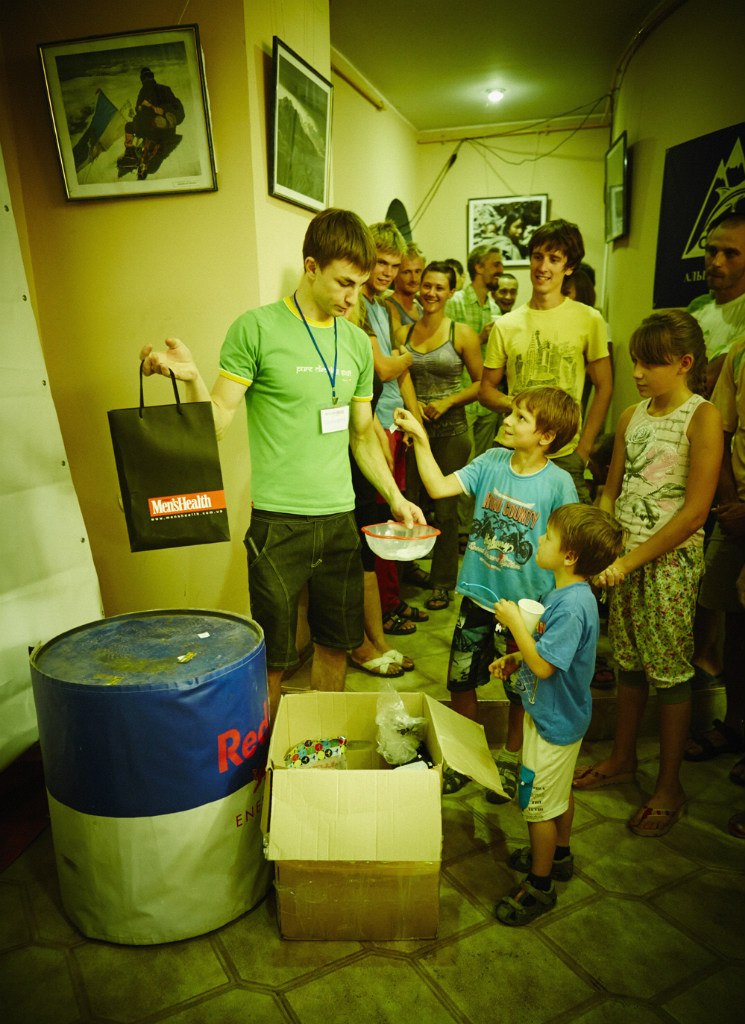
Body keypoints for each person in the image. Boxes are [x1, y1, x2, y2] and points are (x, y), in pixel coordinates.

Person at [140, 208, 424, 718]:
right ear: (311, 267)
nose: (352, 298)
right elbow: (220, 418)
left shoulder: (358, 343)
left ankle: (321, 754)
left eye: (360, 286)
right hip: (278, 524)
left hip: (339, 521)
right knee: (274, 658)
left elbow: (361, 437)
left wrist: (397, 497)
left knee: (337, 645)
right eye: (343, 283)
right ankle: (265, 758)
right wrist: (189, 380)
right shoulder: (256, 329)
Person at [574, 310, 723, 838]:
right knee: (631, 662)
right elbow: (612, 486)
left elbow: (694, 511)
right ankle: (621, 759)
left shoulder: (701, 416)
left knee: (670, 671)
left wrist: (629, 561)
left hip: (667, 565)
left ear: (683, 364)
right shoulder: (632, 415)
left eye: (649, 363)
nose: (637, 373)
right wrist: (602, 539)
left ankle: (669, 785)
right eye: (634, 361)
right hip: (623, 561)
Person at [394, 386, 579, 795]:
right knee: (461, 682)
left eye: (520, 418)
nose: (508, 421)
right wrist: (422, 440)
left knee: (519, 693)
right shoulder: (491, 460)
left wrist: (557, 607)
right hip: (478, 600)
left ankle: (512, 759)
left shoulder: (559, 483)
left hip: (527, 613)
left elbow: (569, 546)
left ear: (546, 436)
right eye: (510, 413)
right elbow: (440, 487)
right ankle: (465, 757)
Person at [489, 503, 624, 926]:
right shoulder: (567, 595)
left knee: (538, 806)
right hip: (555, 714)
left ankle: (540, 884)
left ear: (569, 556)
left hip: (552, 724)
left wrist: (513, 624)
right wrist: (517, 657)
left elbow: (546, 666)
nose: (540, 541)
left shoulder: (572, 605)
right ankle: (560, 854)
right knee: (559, 793)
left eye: (547, 537)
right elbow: (546, 654)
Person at [478, 218, 613, 503]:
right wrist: (515, 404)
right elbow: (486, 390)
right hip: (513, 453)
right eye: (538, 257)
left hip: (565, 455)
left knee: (571, 540)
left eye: (554, 259)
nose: (543, 267)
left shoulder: (589, 319)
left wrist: (584, 449)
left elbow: (604, 386)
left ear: (569, 267)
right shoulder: (506, 325)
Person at [396, 261, 483, 612]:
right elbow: (399, 381)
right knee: (410, 504)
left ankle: (444, 582)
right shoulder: (402, 334)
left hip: (451, 433)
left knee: (446, 511)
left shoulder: (461, 333)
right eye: (426, 285)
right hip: (414, 434)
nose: (431, 293)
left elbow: (482, 384)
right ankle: (408, 571)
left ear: (450, 291)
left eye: (439, 287)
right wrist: (412, 423)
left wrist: (448, 401)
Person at [361, 221, 429, 634]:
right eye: (380, 262)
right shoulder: (357, 306)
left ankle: (392, 600)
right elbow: (387, 366)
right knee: (382, 523)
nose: (386, 272)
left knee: (399, 516)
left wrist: (414, 419)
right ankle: (385, 608)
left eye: (393, 264)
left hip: (394, 421)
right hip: (373, 426)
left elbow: (398, 374)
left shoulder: (384, 306)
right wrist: (408, 357)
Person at [684, 336, 745, 781]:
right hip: (735, 514)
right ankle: (734, 723)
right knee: (729, 613)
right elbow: (725, 431)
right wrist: (729, 505)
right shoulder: (740, 351)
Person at [446, 244, 504, 545]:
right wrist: (478, 338)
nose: (501, 269)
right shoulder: (455, 302)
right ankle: (455, 531)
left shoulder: (494, 308)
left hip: (487, 401)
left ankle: (468, 530)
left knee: (482, 468)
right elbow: (444, 345)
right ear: (479, 268)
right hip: (462, 396)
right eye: (495, 264)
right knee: (462, 469)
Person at [687, 211, 745, 396]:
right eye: (712, 251)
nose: (717, 262)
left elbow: (708, 381)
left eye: (730, 254)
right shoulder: (697, 307)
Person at [119, 67, 184, 170]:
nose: (147, 80)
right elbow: (139, 109)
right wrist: (139, 108)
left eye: (148, 77)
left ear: (151, 77)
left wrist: (163, 111)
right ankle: (130, 153)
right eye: (145, 78)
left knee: (145, 129)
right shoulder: (144, 91)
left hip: (161, 126)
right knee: (129, 126)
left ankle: (139, 156)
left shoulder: (164, 90)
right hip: (147, 124)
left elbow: (176, 107)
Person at [386, 243, 425, 330]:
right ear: (395, 273)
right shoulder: (389, 306)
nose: (414, 279)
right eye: (407, 272)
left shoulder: (419, 306)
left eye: (418, 271)